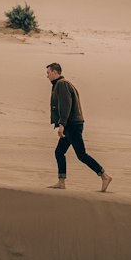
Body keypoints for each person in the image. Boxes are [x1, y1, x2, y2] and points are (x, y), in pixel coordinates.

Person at [46, 62, 112, 191]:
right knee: (59, 152)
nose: (47, 76)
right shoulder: (60, 84)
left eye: (48, 73)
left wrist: (62, 125)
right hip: (71, 124)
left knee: (81, 155)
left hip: (72, 125)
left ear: (55, 72)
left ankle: (104, 176)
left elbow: (66, 105)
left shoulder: (62, 84)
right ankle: (61, 182)